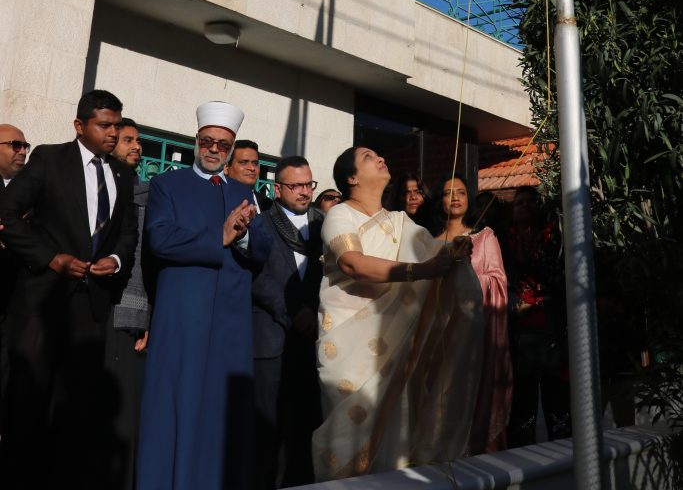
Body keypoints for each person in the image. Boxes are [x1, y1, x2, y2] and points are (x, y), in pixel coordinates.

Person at [312, 146, 483, 480]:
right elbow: (352, 262)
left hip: (396, 345)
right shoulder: (340, 215)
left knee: (397, 437)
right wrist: (421, 271)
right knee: (348, 438)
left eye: (379, 154)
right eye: (367, 157)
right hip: (349, 350)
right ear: (352, 178)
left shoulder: (400, 223)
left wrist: (452, 251)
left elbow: (433, 253)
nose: (379, 158)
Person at [0, 91, 137, 490]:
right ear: (80, 126)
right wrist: (51, 258)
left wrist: (117, 259)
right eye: (104, 125)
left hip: (91, 304)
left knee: (74, 409)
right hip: (41, 301)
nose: (113, 134)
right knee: (28, 405)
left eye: (117, 125)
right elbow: (8, 213)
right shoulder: (49, 159)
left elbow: (128, 232)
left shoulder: (123, 174)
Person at [137, 101, 271, 490]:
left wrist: (243, 235)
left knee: (220, 411)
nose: (214, 149)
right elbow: (160, 239)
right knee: (175, 405)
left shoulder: (245, 192)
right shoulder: (168, 184)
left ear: (230, 151)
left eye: (223, 145)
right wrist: (221, 236)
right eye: (208, 141)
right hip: (182, 316)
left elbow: (262, 250)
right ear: (196, 140)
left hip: (230, 322)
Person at [252, 155, 323, 489]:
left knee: (306, 428)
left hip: (315, 342)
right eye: (296, 185)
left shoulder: (326, 225)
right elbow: (258, 278)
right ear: (277, 188)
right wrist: (293, 313)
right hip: (272, 340)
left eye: (309, 184)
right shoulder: (260, 224)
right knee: (268, 432)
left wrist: (313, 310)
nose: (305, 192)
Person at [433, 173, 512, 453]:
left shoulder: (484, 237)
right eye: (447, 192)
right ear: (439, 200)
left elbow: (498, 282)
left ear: (469, 200)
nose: (454, 197)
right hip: (439, 336)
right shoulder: (427, 241)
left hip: (474, 336)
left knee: (472, 394)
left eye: (461, 192)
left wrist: (465, 269)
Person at [503, 186, 571, 446]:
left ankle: (565, 463)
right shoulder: (504, 240)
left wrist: (535, 255)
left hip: (552, 328)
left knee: (559, 407)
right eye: (519, 202)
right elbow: (499, 281)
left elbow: (561, 279)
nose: (525, 206)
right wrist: (514, 304)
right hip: (517, 334)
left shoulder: (554, 237)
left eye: (531, 202)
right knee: (523, 410)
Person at [104, 119, 149, 490]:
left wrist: (147, 317)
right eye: (128, 140)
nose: (136, 146)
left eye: (139, 141)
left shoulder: (148, 196)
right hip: (86, 312)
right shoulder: (91, 187)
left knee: (123, 414)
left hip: (126, 318)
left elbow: (150, 262)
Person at [0, 125, 29, 435]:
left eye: (25, 146)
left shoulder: (29, 191)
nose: (22, 151)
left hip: (16, 303)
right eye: (15, 145)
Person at [225, 138, 272, 211]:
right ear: (226, 168)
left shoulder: (269, 205)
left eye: (255, 163)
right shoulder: (212, 199)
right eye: (243, 162)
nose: (252, 168)